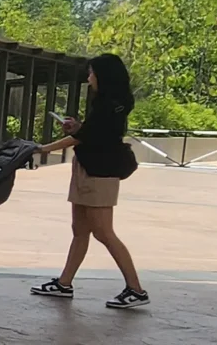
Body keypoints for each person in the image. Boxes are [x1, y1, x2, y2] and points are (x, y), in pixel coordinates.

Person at [31, 52, 149, 308]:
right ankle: (64, 283)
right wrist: (78, 126)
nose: (89, 78)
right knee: (80, 230)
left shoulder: (110, 105)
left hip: (100, 172)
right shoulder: (106, 103)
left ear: (103, 75)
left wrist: (44, 149)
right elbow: (90, 133)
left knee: (104, 232)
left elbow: (84, 138)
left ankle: (136, 289)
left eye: (92, 73)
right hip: (87, 169)